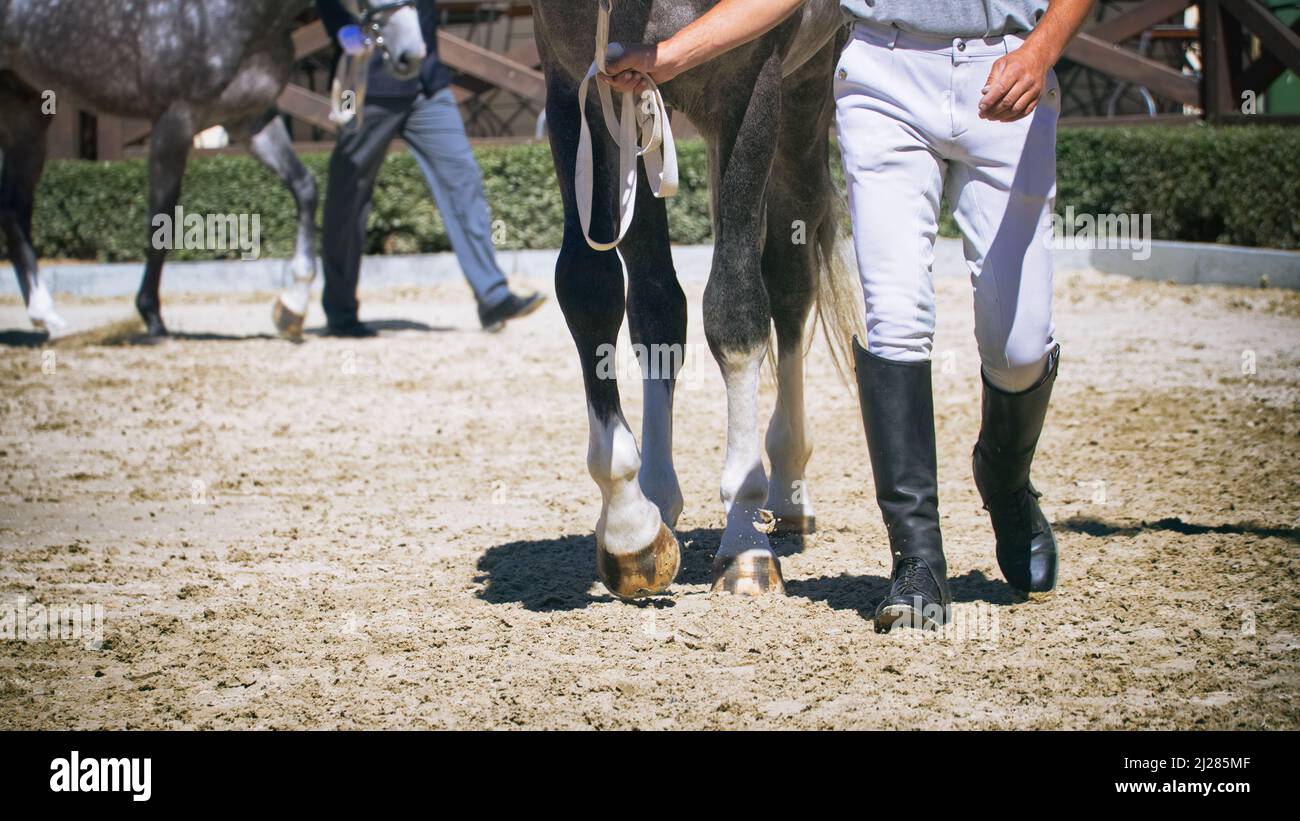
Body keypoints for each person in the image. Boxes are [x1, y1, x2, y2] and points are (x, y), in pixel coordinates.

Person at [602, 0, 1094, 630]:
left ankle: (1005, 480)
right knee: (894, 315)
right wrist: (666, 58)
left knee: (1020, 346)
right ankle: (916, 558)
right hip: (883, 77)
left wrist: (1045, 47)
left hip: (1006, 69)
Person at [316, 0, 545, 336]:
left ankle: (493, 295)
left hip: (427, 85)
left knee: (462, 177)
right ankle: (340, 309)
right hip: (368, 85)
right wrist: (340, 27)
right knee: (348, 196)